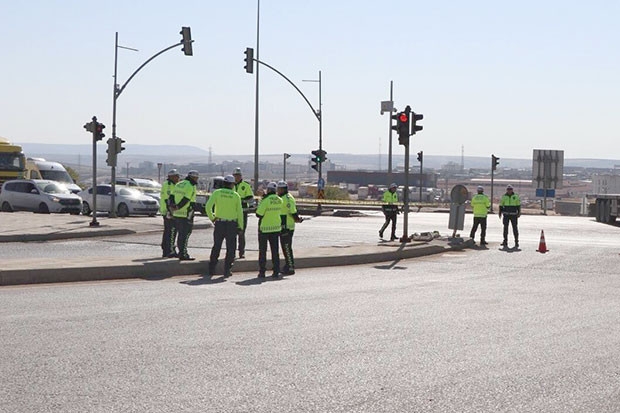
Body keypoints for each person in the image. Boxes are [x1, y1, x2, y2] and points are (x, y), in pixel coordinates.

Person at [206, 175, 244, 278]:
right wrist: (241, 227)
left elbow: (208, 206)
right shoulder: (236, 195)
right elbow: (240, 213)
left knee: (216, 246)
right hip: (231, 224)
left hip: (219, 223)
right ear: (232, 185)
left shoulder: (217, 193)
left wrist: (212, 217)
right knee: (231, 248)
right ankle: (227, 270)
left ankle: (211, 268)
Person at [256, 182, 284, 278]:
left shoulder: (265, 200)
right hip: (276, 228)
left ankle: (262, 271)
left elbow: (258, 214)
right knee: (275, 251)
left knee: (263, 251)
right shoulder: (280, 200)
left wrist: (262, 198)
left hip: (264, 229)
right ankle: (276, 271)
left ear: (268, 190)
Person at [171, 170, 199, 261]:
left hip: (176, 214)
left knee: (180, 234)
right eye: (196, 178)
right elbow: (186, 199)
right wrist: (178, 207)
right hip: (186, 213)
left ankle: (180, 252)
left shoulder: (179, 184)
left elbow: (171, 196)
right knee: (186, 234)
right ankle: (183, 254)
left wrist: (173, 207)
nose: (196, 179)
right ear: (192, 177)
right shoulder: (191, 186)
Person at [277, 180, 303, 275]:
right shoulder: (281, 198)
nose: (278, 191)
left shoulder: (288, 199)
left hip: (287, 226)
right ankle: (287, 265)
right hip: (283, 225)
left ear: (283, 189)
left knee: (287, 247)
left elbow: (293, 212)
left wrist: (297, 219)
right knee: (284, 247)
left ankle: (290, 267)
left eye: (279, 189)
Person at [232, 167, 255, 259]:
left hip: (243, 212)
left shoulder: (245, 185)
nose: (236, 177)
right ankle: (232, 252)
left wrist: (240, 200)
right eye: (235, 175)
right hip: (232, 212)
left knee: (241, 232)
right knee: (232, 234)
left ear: (241, 176)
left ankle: (241, 252)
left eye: (238, 175)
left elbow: (250, 197)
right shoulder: (230, 185)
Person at [160, 169, 180, 258]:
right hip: (168, 211)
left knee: (170, 231)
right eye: (176, 176)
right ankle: (168, 250)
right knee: (170, 231)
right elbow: (167, 199)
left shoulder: (174, 185)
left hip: (171, 211)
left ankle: (167, 249)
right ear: (171, 177)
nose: (178, 178)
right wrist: (170, 211)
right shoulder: (168, 185)